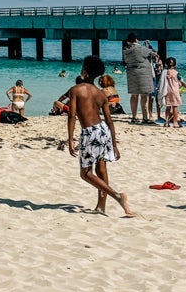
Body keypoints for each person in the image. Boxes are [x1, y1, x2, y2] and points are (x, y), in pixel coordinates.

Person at [64, 56, 134, 218]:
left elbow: (72, 116)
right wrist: (114, 144)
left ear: (85, 71)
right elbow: (109, 120)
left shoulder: (76, 90)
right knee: (101, 169)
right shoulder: (101, 94)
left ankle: (117, 196)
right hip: (103, 131)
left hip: (90, 132)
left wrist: (70, 140)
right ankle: (101, 207)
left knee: (85, 173)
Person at [122, 34, 160, 124]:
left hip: (131, 73)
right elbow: (154, 54)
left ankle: (134, 117)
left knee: (134, 95)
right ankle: (145, 117)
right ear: (136, 40)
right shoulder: (141, 48)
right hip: (143, 73)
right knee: (144, 96)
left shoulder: (126, 50)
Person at [160, 58, 184, 127]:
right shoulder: (177, 73)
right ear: (175, 65)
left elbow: (162, 82)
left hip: (167, 91)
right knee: (175, 107)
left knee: (168, 107)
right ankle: (175, 122)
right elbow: (181, 81)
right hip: (175, 91)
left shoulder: (165, 73)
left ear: (166, 64)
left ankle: (166, 122)